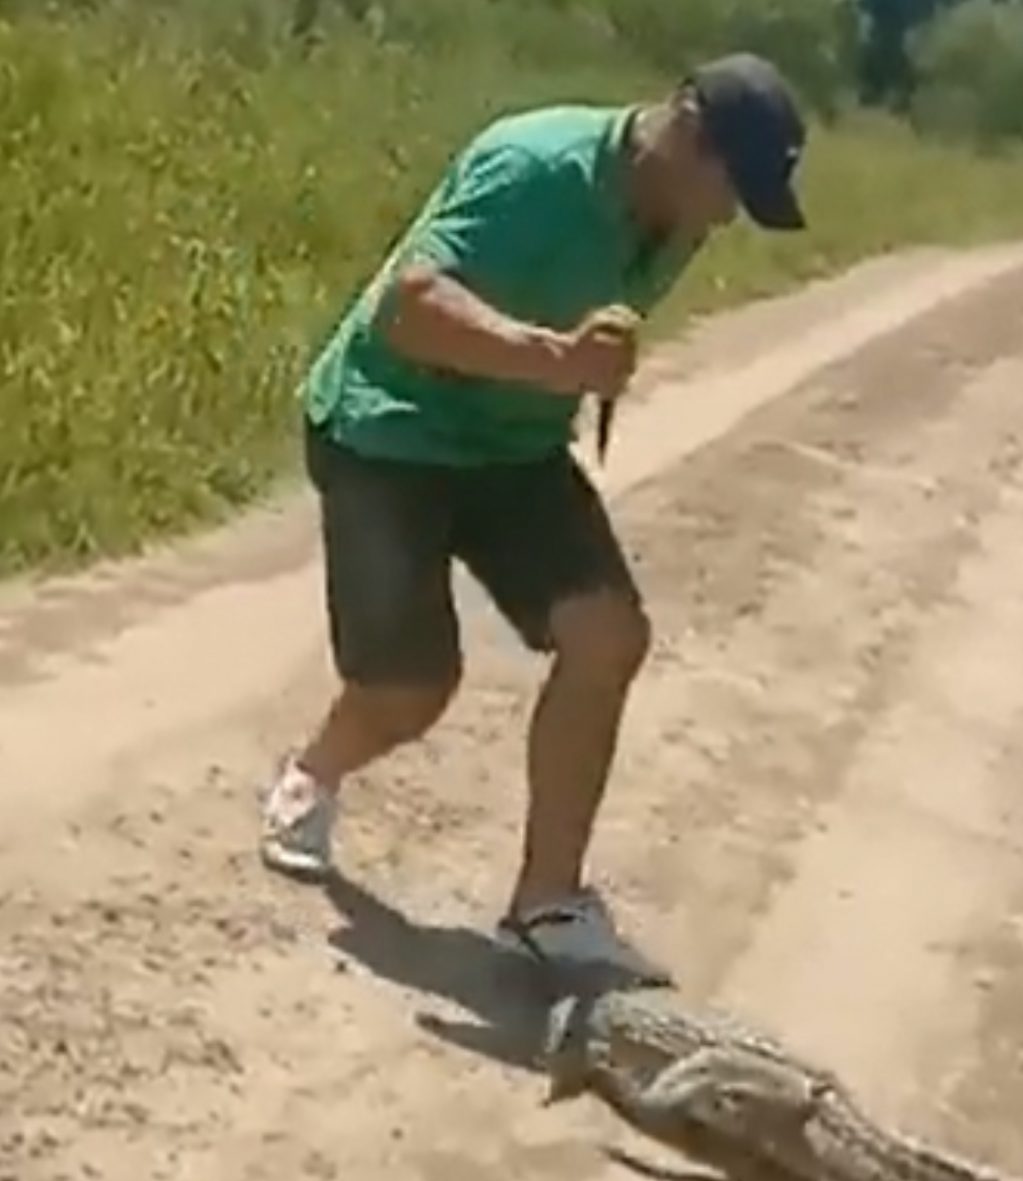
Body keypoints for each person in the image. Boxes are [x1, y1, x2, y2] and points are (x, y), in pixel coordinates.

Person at [256, 53, 811, 985]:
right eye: (732, 189)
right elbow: (408, 311)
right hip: (389, 432)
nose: (728, 217)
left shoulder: (676, 211)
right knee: (410, 691)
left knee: (609, 636)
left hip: (513, 450)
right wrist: (553, 361)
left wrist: (595, 357)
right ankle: (311, 775)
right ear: (683, 131)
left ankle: (547, 901)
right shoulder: (533, 167)